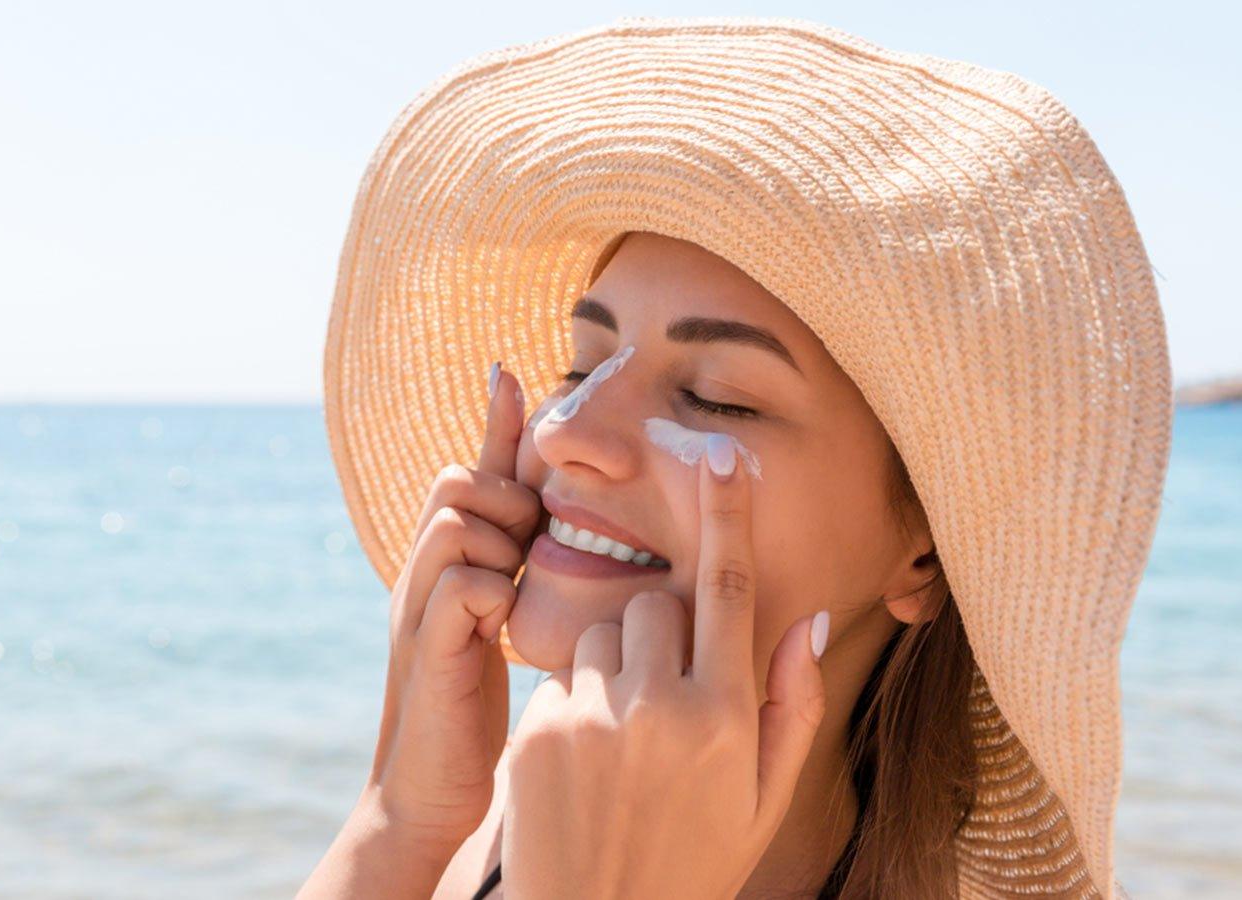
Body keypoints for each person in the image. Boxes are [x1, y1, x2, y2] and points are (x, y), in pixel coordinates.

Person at [301, 17, 1170, 899]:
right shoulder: (531, 798)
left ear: (925, 552)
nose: (565, 431)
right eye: (581, 366)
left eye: (719, 397)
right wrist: (401, 815)